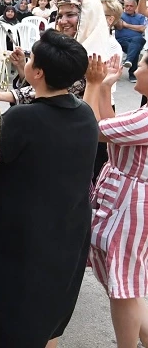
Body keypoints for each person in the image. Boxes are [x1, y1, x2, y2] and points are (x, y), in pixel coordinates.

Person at [0, 30, 98, 348]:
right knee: (50, 319)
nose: (27, 61)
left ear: (38, 72)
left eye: (32, 60)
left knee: (17, 321)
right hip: (68, 232)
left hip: (24, 239)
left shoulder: (23, 118)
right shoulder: (84, 114)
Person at [83, 52, 148, 347]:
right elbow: (113, 130)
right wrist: (105, 87)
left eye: (143, 64)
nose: (136, 69)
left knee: (124, 286)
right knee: (121, 282)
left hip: (132, 204)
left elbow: (93, 131)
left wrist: (93, 85)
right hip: (123, 199)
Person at [114, 0, 147, 82]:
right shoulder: (120, 15)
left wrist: (127, 25)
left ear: (135, 7)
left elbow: (142, 28)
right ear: (124, 6)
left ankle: (129, 60)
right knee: (134, 48)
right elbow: (120, 26)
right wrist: (134, 27)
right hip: (122, 40)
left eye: (131, 6)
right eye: (126, 6)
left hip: (137, 40)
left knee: (136, 41)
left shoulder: (141, 17)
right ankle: (132, 74)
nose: (128, 8)